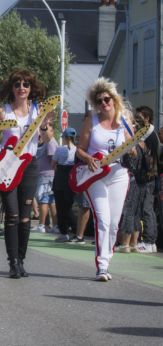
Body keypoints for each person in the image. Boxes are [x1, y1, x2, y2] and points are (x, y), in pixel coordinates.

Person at [0, 69, 52, 278]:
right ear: (11, 88)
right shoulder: (3, 112)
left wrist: (44, 124)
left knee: (25, 218)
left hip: (30, 165)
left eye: (25, 84)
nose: (21, 88)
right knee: (11, 216)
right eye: (17, 84)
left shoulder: (37, 110)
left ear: (31, 88)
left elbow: (48, 139)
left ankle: (21, 260)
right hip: (7, 164)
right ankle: (12, 262)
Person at [76, 77, 134, 281]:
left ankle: (107, 260)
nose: (104, 103)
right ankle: (101, 265)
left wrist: (133, 150)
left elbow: (132, 147)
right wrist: (88, 158)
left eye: (107, 99)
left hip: (118, 174)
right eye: (99, 101)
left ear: (114, 98)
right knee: (103, 219)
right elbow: (80, 149)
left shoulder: (124, 120)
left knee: (114, 223)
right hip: (95, 175)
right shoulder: (91, 120)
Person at [117, 115, 151, 253]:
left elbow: (128, 164)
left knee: (128, 212)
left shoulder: (133, 143)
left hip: (132, 180)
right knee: (137, 213)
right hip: (142, 182)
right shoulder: (144, 143)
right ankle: (134, 243)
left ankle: (125, 244)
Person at [133, 106, 159, 253]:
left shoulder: (148, 134)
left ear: (146, 118)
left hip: (147, 177)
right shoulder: (151, 133)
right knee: (146, 208)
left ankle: (149, 241)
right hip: (148, 176)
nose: (136, 121)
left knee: (147, 209)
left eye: (139, 117)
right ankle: (149, 240)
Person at [51, 128, 80, 243]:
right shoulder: (78, 150)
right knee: (69, 207)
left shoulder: (60, 149)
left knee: (61, 208)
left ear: (64, 137)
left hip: (60, 180)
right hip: (72, 179)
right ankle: (78, 232)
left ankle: (64, 233)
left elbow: (53, 164)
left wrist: (57, 164)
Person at [30, 125, 58, 233]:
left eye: (45, 130)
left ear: (52, 131)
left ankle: (42, 225)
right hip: (47, 175)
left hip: (46, 175)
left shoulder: (50, 142)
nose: (42, 133)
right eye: (42, 130)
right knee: (51, 200)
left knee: (43, 200)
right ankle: (53, 225)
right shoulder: (49, 142)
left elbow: (53, 158)